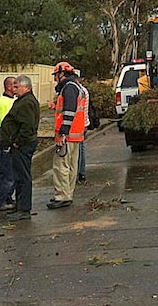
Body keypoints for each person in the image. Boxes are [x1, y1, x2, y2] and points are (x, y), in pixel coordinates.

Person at [49, 61, 88, 209]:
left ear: (62, 74)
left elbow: (69, 111)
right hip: (76, 134)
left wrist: (63, 132)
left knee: (61, 166)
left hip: (68, 135)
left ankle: (62, 196)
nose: (55, 79)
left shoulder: (69, 88)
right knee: (72, 165)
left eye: (56, 75)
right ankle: (68, 194)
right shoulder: (77, 87)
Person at [0, 75, 40, 222]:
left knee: (23, 176)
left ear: (26, 87)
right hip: (19, 144)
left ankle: (24, 208)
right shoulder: (22, 101)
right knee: (18, 176)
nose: (14, 90)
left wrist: (17, 142)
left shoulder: (27, 103)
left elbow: (27, 126)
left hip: (23, 145)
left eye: (17, 87)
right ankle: (20, 205)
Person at [0, 76, 16, 212]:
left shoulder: (8, 100)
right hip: (3, 140)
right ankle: (0, 201)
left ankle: (6, 197)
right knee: (6, 172)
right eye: (14, 85)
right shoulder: (6, 103)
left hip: (2, 138)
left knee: (6, 171)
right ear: (9, 87)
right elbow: (8, 125)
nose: (17, 87)